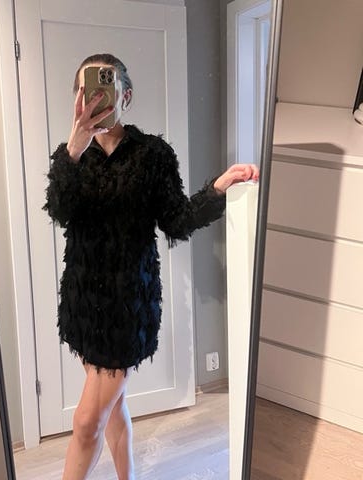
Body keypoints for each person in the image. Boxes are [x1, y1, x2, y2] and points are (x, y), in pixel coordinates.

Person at [44, 53, 259, 480]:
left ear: (125, 96)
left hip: (128, 305)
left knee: (87, 422)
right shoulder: (71, 157)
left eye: (105, 89)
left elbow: (176, 220)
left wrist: (218, 189)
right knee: (113, 406)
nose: (95, 99)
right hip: (83, 303)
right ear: (77, 99)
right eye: (86, 91)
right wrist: (73, 148)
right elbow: (60, 211)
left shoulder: (153, 155)